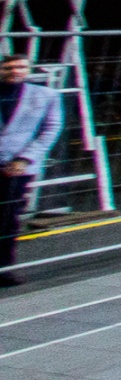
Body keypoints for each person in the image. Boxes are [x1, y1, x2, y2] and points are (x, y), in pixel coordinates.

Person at [0, 53, 65, 286]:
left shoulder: (45, 95)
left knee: (8, 219)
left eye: (20, 67)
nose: (15, 71)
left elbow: (51, 128)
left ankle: (4, 268)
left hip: (17, 167)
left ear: (28, 70)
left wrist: (25, 159)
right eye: (8, 67)